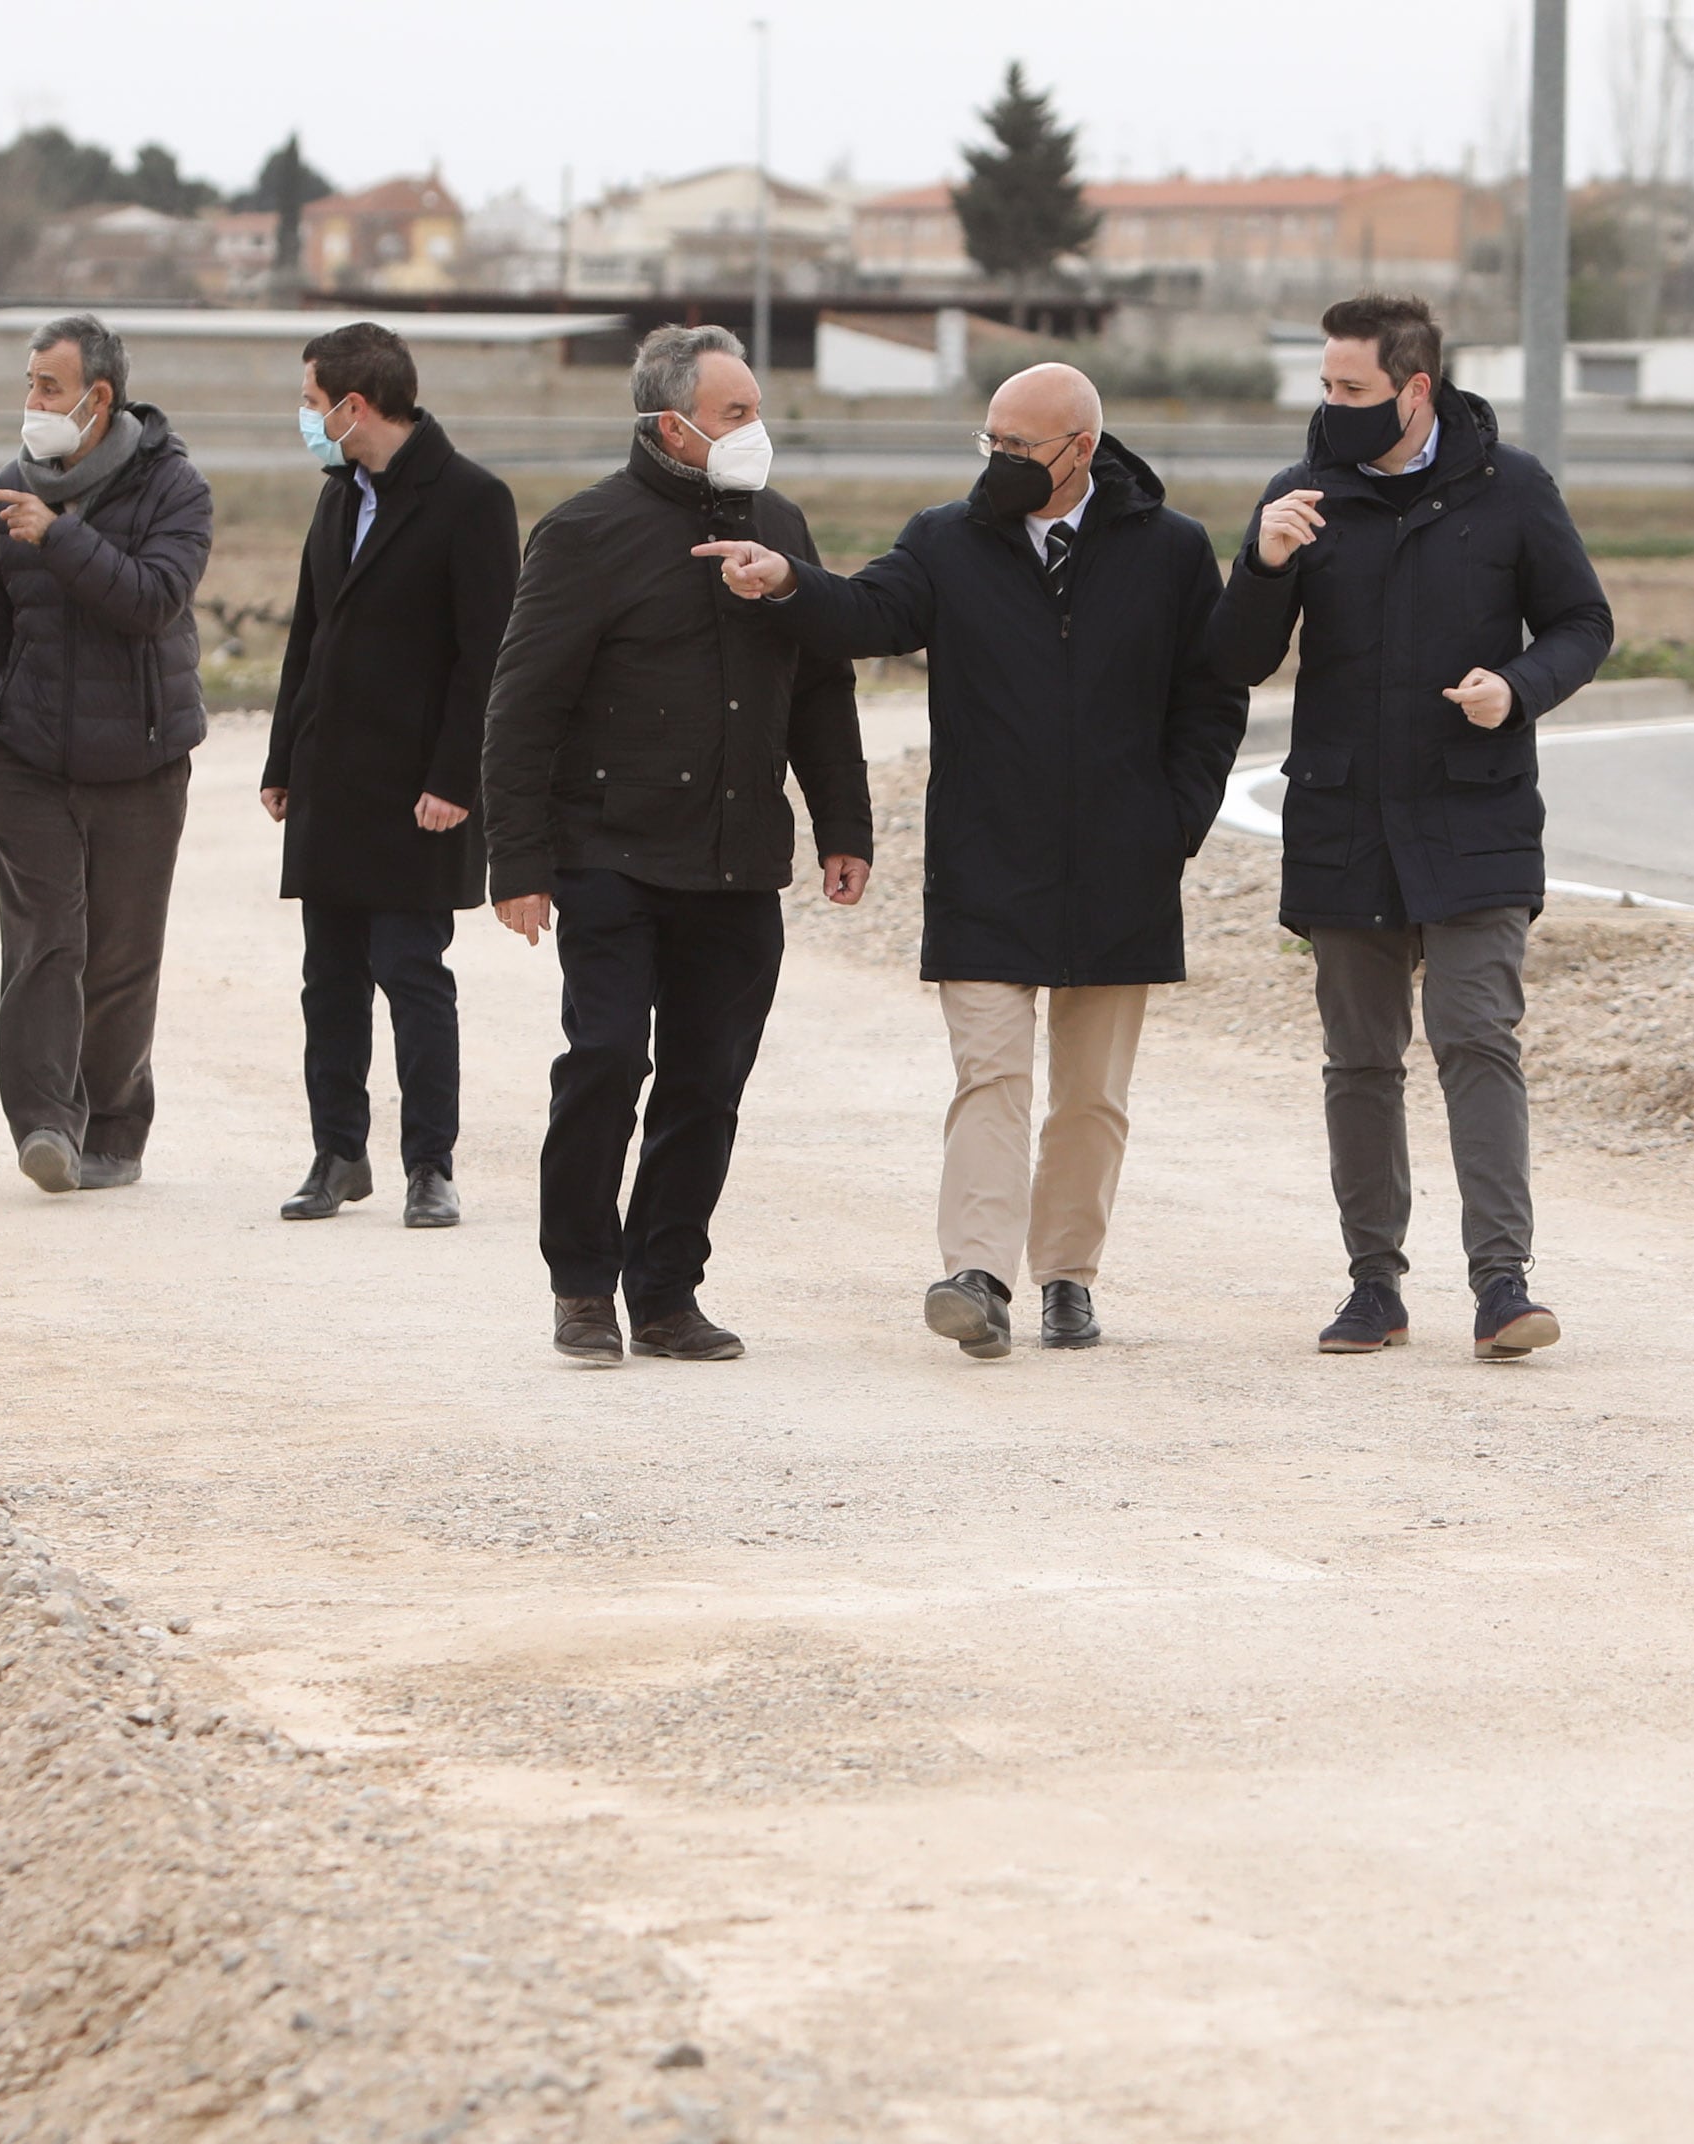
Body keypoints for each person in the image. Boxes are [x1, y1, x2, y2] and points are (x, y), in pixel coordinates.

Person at [701, 363, 1248, 1358]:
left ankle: (1067, 1277)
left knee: (1089, 1095)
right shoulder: (943, 540)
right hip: (984, 858)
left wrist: (1170, 820)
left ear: (1078, 449)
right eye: (985, 443)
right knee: (988, 1076)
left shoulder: (1168, 551)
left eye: (1015, 448)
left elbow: (1209, 698)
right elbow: (868, 613)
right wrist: (785, 583)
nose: (993, 463)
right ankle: (977, 1275)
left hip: (1121, 867)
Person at [1204, 293, 1613, 1360]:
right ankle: (1371, 1287)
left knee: (1475, 1037)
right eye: (1324, 389)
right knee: (1357, 1060)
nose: (1329, 408)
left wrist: (1515, 688)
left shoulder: (1510, 487)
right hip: (1341, 819)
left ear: (1413, 388)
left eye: (1350, 390)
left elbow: (1582, 621)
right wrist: (1261, 563)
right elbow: (1233, 659)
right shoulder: (1297, 494)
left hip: (1473, 814)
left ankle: (1500, 1286)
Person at [480, 324, 872, 1366]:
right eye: (736, 414)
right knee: (605, 1061)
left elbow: (820, 687)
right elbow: (520, 707)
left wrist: (843, 825)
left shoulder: (779, 525)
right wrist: (514, 864)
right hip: (607, 854)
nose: (756, 432)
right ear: (672, 427)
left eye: (755, 410)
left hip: (736, 862)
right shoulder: (583, 534)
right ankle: (579, 1285)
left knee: (705, 1086)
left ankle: (664, 1293)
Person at [258, 321, 518, 1230]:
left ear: (353, 405)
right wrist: (283, 757)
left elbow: (483, 658)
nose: (305, 415)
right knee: (327, 978)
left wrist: (456, 779)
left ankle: (429, 1166)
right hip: (331, 783)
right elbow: (309, 634)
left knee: (412, 973)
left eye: (309, 400)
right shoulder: (340, 495)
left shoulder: (472, 500)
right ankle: (337, 1153)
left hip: (418, 793)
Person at [0, 313, 215, 1195]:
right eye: (29, 383)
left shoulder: (175, 490)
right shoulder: (2, 497)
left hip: (142, 761)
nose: (32, 402)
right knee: (46, 943)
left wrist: (59, 536)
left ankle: (115, 1130)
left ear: (99, 399)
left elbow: (151, 599)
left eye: (49, 387)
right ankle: (44, 1125)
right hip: (23, 761)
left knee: (122, 954)